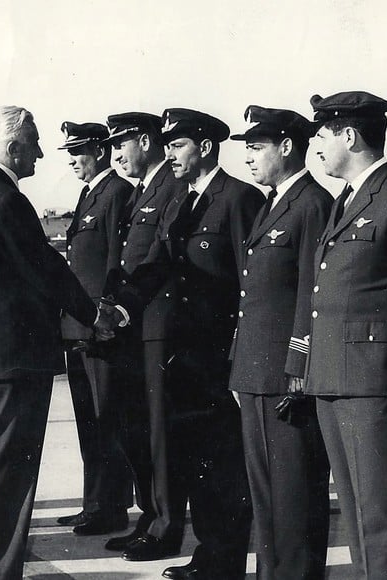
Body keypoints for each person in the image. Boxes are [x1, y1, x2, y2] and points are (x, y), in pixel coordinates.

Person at [0, 106, 116, 579]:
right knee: (7, 483)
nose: (40, 151)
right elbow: (45, 269)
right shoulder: (5, 199)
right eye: (34, 143)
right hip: (13, 365)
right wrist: (95, 314)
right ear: (14, 147)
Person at [107, 107, 263, 580]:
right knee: (198, 461)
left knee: (224, 468)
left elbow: (250, 284)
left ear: (206, 147)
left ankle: (225, 559)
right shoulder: (183, 202)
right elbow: (156, 264)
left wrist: (240, 353)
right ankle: (211, 554)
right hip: (184, 357)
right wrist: (120, 308)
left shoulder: (238, 198)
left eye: (176, 145)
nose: (168, 153)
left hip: (218, 356)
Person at [304, 91, 387, 579]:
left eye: (321, 134)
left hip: (376, 385)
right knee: (359, 518)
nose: (315, 143)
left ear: (349, 135)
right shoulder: (348, 200)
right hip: (335, 381)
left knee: (384, 519)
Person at [228, 105, 333, 580]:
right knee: (266, 495)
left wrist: (299, 368)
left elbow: (313, 291)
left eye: (256, 147)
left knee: (294, 497)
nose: (248, 158)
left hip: (285, 375)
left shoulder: (311, 205)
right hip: (255, 371)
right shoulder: (272, 204)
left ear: (287, 147)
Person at [101, 111, 188, 561]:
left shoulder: (171, 186)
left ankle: (167, 525)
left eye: (123, 144)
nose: (116, 154)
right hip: (133, 329)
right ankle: (150, 516)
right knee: (137, 428)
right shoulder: (142, 192)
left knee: (160, 433)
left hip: (158, 328)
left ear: (148, 142)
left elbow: (160, 259)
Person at [55, 121, 136, 536]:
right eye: (69, 153)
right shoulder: (91, 194)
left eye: (79, 152)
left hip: (99, 329)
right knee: (89, 418)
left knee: (107, 417)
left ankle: (112, 505)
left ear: (101, 151)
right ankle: (94, 502)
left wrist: (105, 317)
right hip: (79, 329)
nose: (72, 161)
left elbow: (114, 265)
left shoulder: (117, 193)